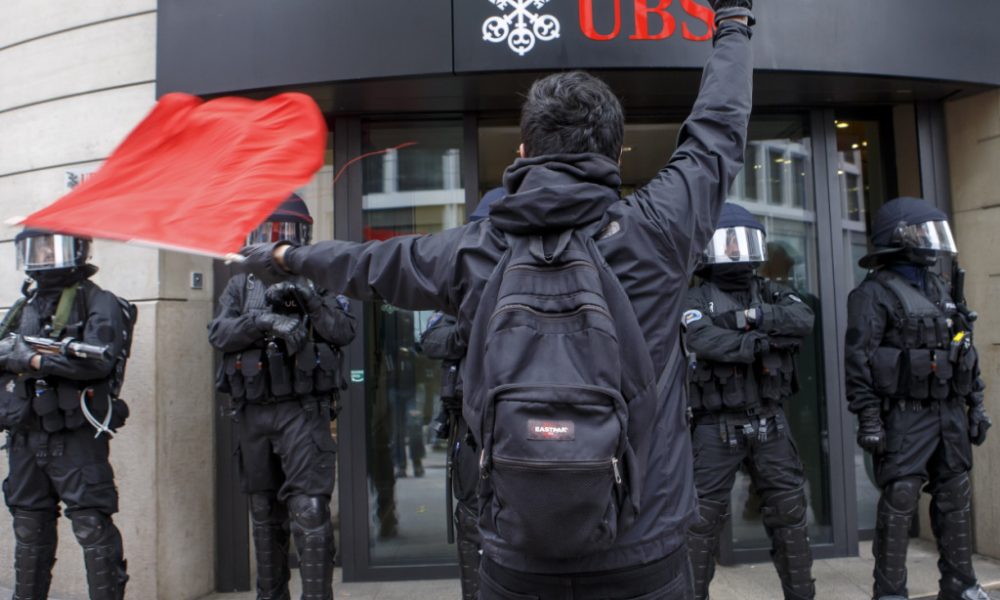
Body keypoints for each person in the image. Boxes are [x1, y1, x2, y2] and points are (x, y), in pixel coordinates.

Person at [235, 2, 753, 596]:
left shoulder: (474, 250)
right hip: (644, 551)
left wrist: (287, 256)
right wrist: (733, 24)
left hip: (515, 558)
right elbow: (718, 130)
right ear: (615, 157)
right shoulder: (658, 228)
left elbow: (366, 264)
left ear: (523, 153)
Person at [208, 194, 356, 600]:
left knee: (309, 510)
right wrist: (263, 321)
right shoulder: (241, 285)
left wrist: (311, 302)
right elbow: (219, 333)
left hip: (303, 412)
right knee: (264, 515)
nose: (275, 241)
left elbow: (343, 331)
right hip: (254, 412)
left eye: (285, 233)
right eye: (269, 233)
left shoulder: (319, 279)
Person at [846, 197, 991, 600]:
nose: (931, 240)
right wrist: (869, 418)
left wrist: (976, 405)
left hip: (949, 411)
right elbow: (859, 363)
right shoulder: (873, 293)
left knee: (955, 498)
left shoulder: (940, 285)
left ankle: (961, 584)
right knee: (900, 501)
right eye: (922, 232)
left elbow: (965, 351)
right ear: (899, 237)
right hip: (905, 416)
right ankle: (890, 592)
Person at [683, 203, 815, 600]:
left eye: (742, 242)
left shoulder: (770, 290)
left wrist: (751, 318)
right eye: (727, 243)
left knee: (790, 516)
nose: (735, 251)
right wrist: (758, 342)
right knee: (699, 525)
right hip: (715, 427)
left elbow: (802, 320)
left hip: (770, 421)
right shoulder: (695, 297)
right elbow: (701, 338)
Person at [0, 229, 135, 599]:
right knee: (29, 527)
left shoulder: (98, 301)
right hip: (27, 434)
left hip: (75, 436)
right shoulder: (25, 305)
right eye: (36, 248)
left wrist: (34, 360)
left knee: (92, 525)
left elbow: (100, 361)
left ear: (77, 250)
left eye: (52, 247)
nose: (43, 256)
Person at [415, 187, 504, 600]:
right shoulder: (461, 293)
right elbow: (431, 339)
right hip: (471, 429)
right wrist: (471, 329)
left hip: (520, 426)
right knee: (470, 519)